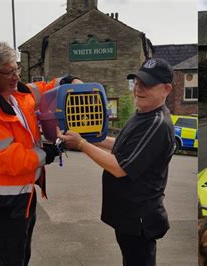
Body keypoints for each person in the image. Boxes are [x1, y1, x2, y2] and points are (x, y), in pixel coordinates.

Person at [0, 41, 81, 265]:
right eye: (9, 72)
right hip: (2, 201)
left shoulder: (17, 93)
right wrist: (51, 151)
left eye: (17, 68)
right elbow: (13, 161)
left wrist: (68, 81)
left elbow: (45, 89)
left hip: (21, 194)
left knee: (21, 253)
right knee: (10, 258)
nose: (16, 75)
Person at [61, 58, 175, 265]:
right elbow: (123, 147)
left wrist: (81, 144)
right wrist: (92, 136)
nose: (138, 89)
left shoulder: (156, 123)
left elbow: (120, 168)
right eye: (137, 83)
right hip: (128, 216)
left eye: (147, 84)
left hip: (139, 218)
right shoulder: (143, 114)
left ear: (166, 89)